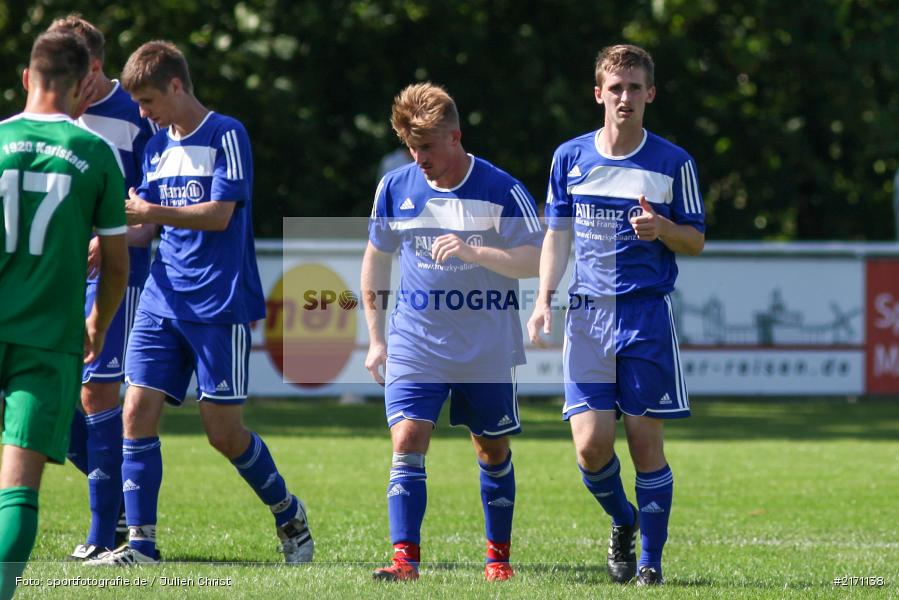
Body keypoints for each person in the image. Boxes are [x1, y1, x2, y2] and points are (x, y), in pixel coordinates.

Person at [84, 41, 313, 565]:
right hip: (162, 299)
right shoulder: (157, 146)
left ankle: (289, 514)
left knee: (223, 433)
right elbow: (146, 225)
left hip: (219, 303)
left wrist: (151, 209)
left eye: (148, 101)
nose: (143, 113)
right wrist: (111, 239)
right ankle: (141, 544)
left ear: (176, 86)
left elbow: (219, 216)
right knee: (135, 411)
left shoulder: (226, 134)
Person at [527, 44, 705, 586]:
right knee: (590, 444)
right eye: (616, 87)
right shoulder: (570, 158)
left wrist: (664, 231)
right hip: (587, 318)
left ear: (650, 93)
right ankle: (624, 521)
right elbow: (556, 234)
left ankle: (649, 562)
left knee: (645, 444)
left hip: (646, 317)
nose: (625, 97)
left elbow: (695, 240)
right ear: (599, 93)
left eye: (635, 87)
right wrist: (542, 298)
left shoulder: (674, 162)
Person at [362, 82, 542, 582]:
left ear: (456, 136)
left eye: (428, 146)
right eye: (411, 146)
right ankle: (405, 560)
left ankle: (498, 558)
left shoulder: (500, 189)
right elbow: (376, 259)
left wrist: (474, 251)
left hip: (485, 345)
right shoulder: (395, 187)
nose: (419, 157)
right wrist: (377, 338)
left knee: (492, 449)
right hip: (416, 340)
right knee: (408, 436)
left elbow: (536, 259)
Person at [0, 31, 129, 599]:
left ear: (27, 77)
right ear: (83, 87)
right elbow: (118, 266)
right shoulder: (96, 154)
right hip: (47, 340)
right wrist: (97, 323)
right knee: (18, 492)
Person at [46, 14, 158, 561]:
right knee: (40, 387)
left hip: (118, 275)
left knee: (97, 392)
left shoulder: (137, 115)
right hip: (53, 277)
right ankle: (113, 506)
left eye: (77, 73)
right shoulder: (50, 114)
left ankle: (102, 530)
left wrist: (119, 236)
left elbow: (154, 204)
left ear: (96, 66)